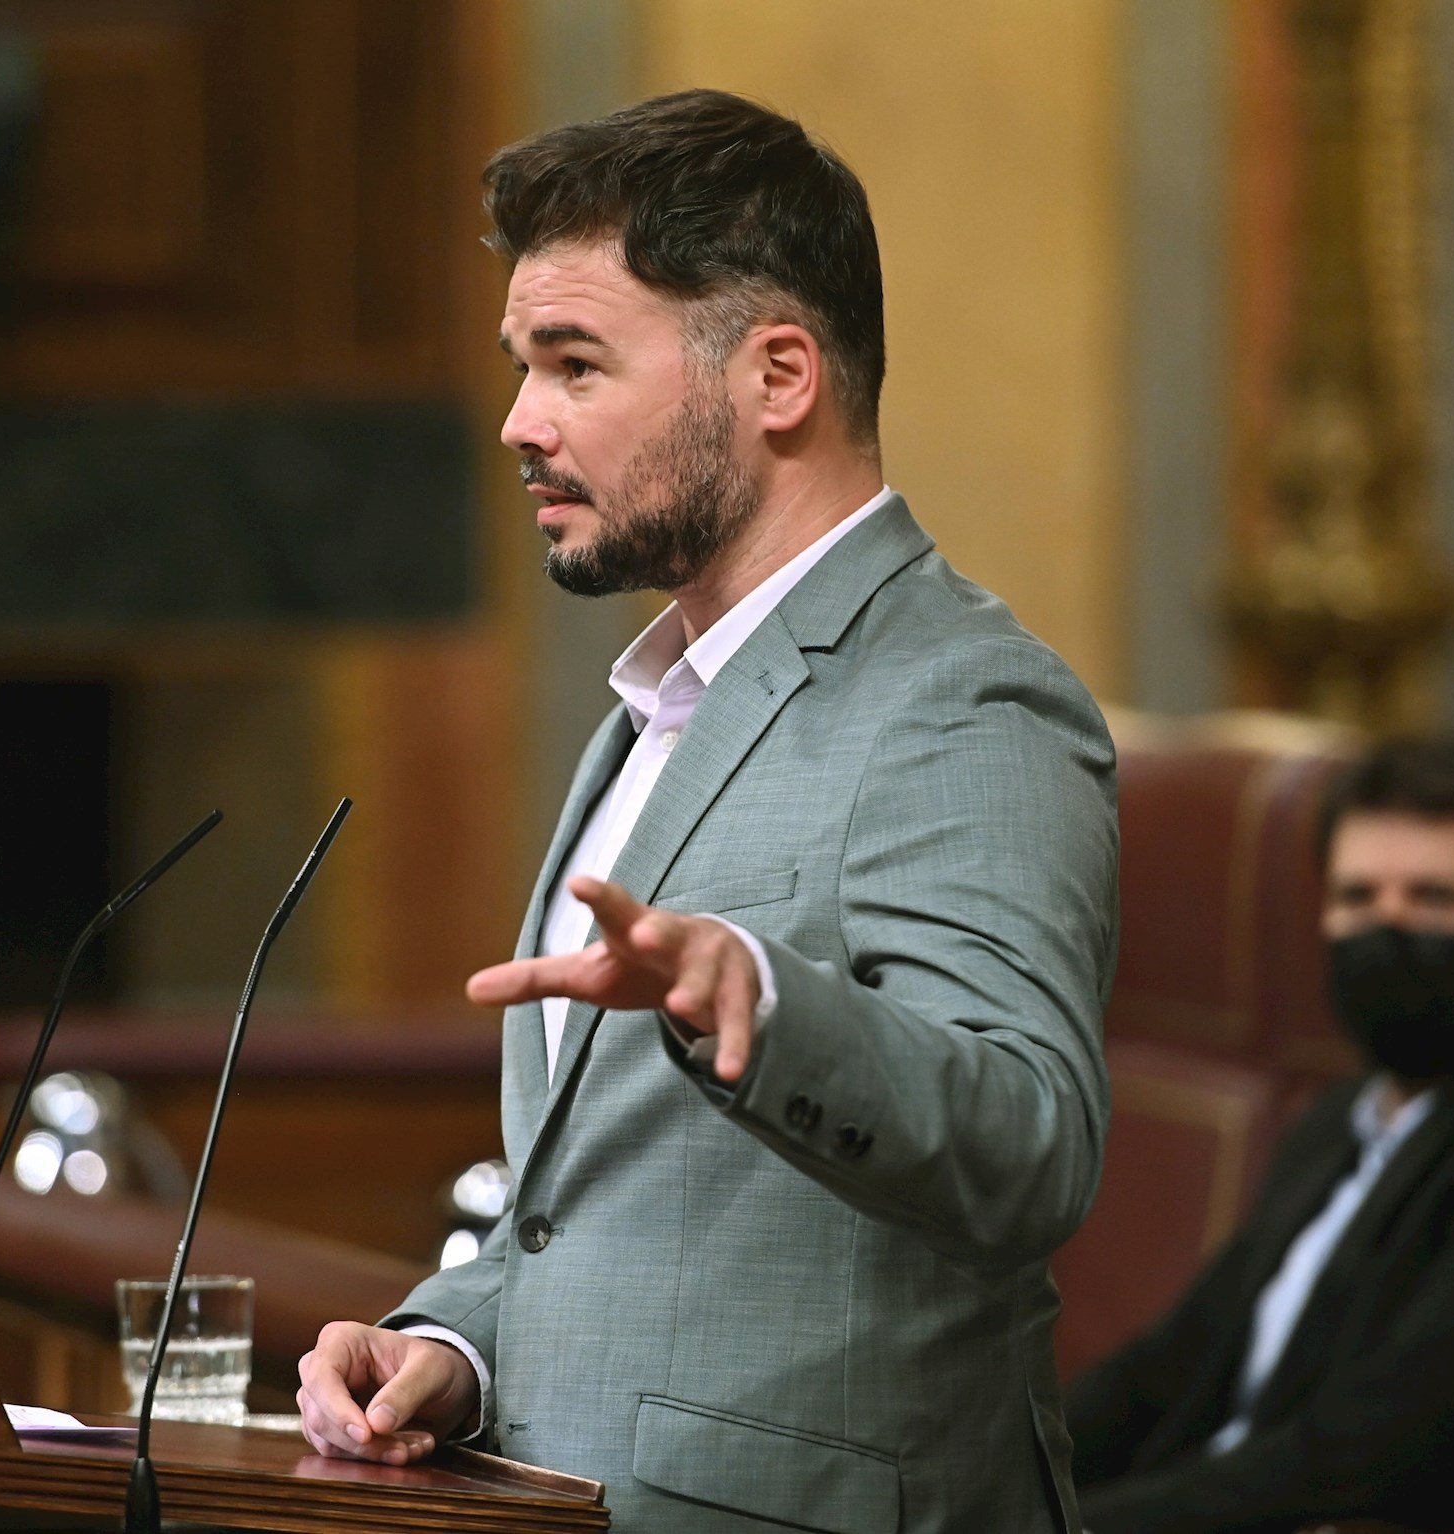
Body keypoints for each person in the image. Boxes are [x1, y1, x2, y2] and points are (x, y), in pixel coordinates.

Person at [292, 88, 1118, 1532]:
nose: (517, 422)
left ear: (778, 375)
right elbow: (610, 1207)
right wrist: (456, 1341)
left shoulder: (963, 701)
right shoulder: (652, 708)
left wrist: (758, 999)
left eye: (573, 364)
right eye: (520, 365)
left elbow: (1030, 1140)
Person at [1069, 738, 1454, 1534]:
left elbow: (1371, 1453)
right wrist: (996, 1474)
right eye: (1357, 898)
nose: (1387, 929)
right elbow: (1169, 1363)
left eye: (1434, 900)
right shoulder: (1338, 1117)